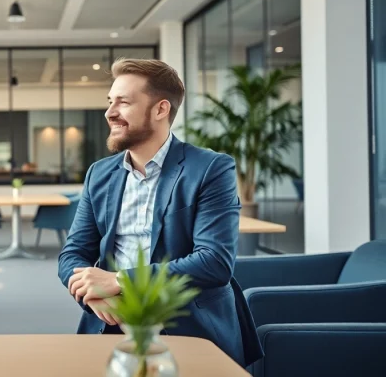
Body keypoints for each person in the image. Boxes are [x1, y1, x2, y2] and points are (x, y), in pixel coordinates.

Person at [57, 58, 263, 367]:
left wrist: (119, 281)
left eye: (123, 102)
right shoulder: (99, 174)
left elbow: (214, 262)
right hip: (112, 322)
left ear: (160, 109)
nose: (110, 112)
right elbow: (73, 253)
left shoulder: (210, 168)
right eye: (110, 101)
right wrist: (96, 296)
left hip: (191, 326)